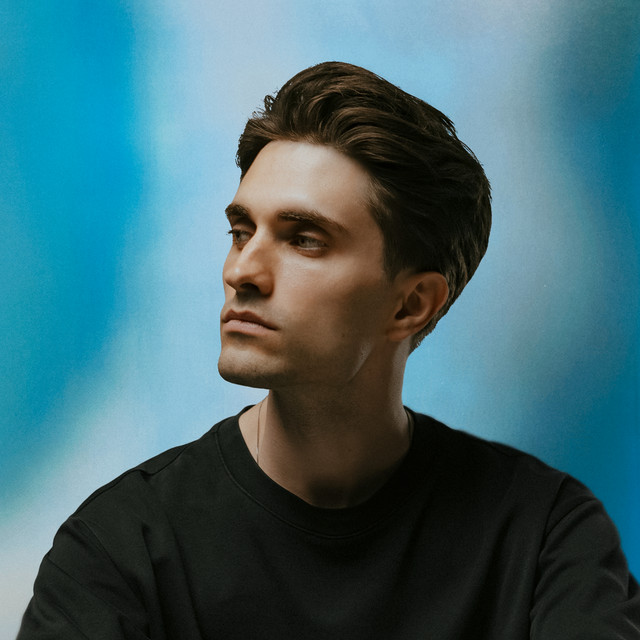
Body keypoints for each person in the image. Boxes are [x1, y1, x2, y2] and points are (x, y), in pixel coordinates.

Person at [18, 61, 639, 639]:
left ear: (411, 305)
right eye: (241, 231)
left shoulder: (545, 537)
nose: (242, 271)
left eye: (305, 239)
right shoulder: (118, 552)